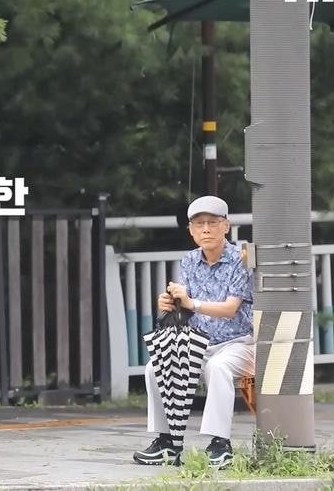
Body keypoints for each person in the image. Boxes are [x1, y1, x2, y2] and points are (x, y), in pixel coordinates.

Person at [132, 195, 255, 468]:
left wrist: (192, 303)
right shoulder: (188, 260)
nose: (206, 229)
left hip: (239, 343)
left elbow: (230, 309)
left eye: (213, 222)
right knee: (155, 366)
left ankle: (220, 444)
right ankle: (167, 442)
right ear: (190, 230)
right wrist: (169, 303)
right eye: (199, 224)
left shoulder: (242, 258)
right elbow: (185, 306)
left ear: (226, 226)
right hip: (200, 344)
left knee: (218, 367)